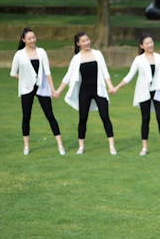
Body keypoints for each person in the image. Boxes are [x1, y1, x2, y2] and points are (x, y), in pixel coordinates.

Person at [54, 32, 117, 155]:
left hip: (98, 89)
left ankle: (111, 146)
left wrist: (111, 87)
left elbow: (105, 72)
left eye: (87, 40)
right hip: (84, 91)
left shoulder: (98, 54)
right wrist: (58, 91)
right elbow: (68, 76)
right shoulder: (76, 58)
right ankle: (81, 146)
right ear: (78, 44)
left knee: (105, 116)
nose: (87, 42)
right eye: (83, 41)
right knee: (83, 118)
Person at [114, 34, 160, 157]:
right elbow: (130, 76)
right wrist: (117, 87)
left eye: (151, 42)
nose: (150, 45)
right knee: (145, 119)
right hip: (144, 92)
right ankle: (144, 147)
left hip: (158, 91)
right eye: (147, 43)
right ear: (141, 46)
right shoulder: (139, 59)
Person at [10, 27, 65, 156]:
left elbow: (48, 72)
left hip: (42, 88)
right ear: (23, 40)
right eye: (29, 38)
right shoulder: (19, 54)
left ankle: (60, 145)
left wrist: (53, 89)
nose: (32, 40)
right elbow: (13, 73)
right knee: (26, 117)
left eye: (33, 37)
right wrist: (24, 80)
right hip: (26, 89)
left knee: (50, 115)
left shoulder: (41, 52)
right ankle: (26, 146)